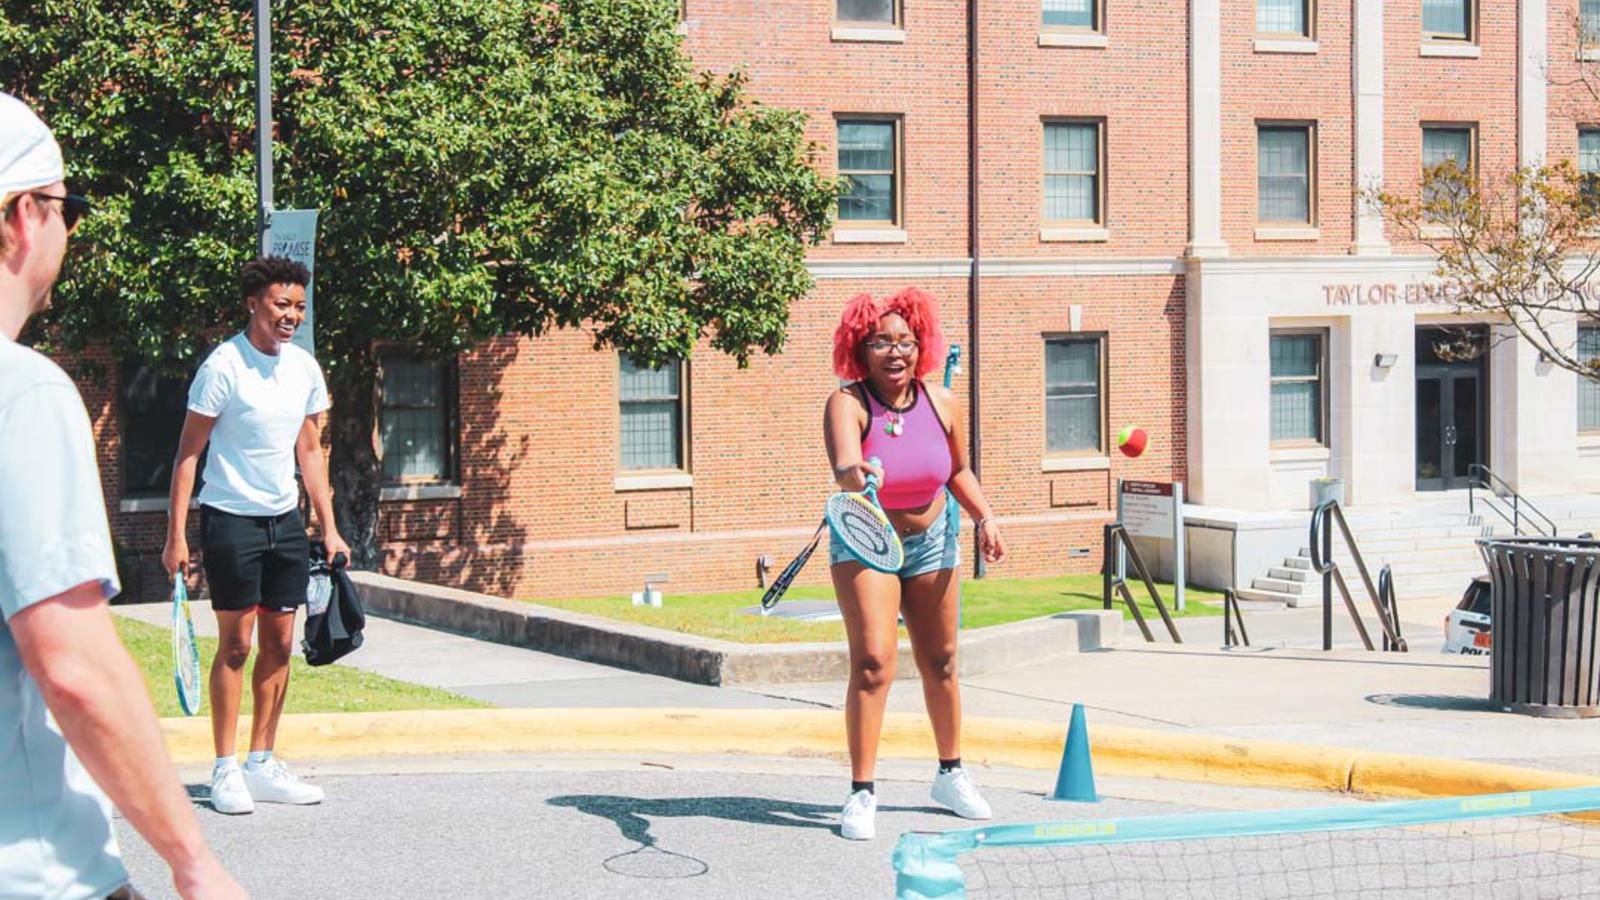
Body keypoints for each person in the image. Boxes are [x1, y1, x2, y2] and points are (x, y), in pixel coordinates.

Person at [0, 92, 245, 899]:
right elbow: (73, 665)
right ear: (20, 217)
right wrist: (193, 861)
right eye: (68, 208)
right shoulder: (22, 396)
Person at [162, 256, 349, 815]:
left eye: (298, 306)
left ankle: (262, 762)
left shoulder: (303, 369)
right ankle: (225, 768)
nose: (290, 315)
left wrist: (330, 526)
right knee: (237, 645)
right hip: (230, 520)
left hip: (284, 523)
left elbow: (310, 451)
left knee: (279, 644)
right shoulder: (224, 367)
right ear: (253, 304)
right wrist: (176, 536)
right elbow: (187, 454)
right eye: (280, 305)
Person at [823, 287, 1007, 841]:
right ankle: (861, 792)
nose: (895, 352)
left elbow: (956, 472)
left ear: (920, 346)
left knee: (943, 660)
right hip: (867, 540)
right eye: (881, 342)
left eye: (905, 341)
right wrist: (861, 476)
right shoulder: (848, 403)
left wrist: (986, 517)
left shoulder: (942, 403)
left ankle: (950, 773)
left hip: (934, 540)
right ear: (861, 349)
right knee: (875, 662)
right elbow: (844, 467)